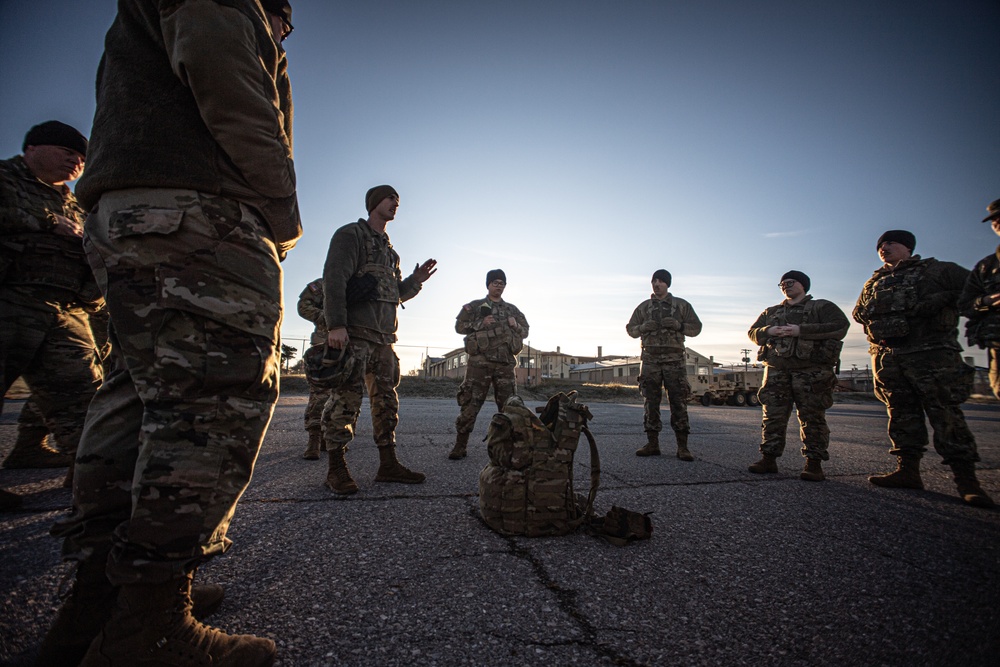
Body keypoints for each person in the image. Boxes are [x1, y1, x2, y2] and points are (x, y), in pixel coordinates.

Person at [40, 1, 301, 665]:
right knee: (209, 404)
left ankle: (101, 596)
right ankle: (150, 621)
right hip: (192, 213)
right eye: (283, 21)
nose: (282, 34)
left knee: (135, 394)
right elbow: (228, 77)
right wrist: (279, 212)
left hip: (131, 214)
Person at [854, 230, 993, 508]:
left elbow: (976, 294)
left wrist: (942, 300)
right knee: (901, 414)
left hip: (932, 356)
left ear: (908, 247)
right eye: (880, 245)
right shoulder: (875, 281)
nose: (884, 248)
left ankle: (967, 481)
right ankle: (907, 471)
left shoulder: (939, 271)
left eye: (890, 243)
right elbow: (859, 312)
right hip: (889, 357)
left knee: (946, 414)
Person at [0, 121, 103, 486]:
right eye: (66, 152)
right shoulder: (6, 180)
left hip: (63, 308)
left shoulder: (75, 203)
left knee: (84, 391)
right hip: (10, 299)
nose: (74, 162)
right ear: (31, 149)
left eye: (80, 158)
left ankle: (90, 479)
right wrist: (47, 223)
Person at [320, 185, 437, 495]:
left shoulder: (390, 251)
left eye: (398, 201)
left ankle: (388, 464)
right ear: (374, 203)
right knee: (346, 401)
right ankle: (336, 468)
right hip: (355, 335)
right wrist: (336, 325)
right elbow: (334, 278)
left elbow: (395, 294)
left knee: (386, 403)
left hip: (384, 340)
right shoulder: (351, 236)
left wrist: (416, 282)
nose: (395, 205)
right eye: (390, 200)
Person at [746, 271, 849, 481]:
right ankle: (769, 458)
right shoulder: (772, 311)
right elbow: (753, 332)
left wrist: (800, 330)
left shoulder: (821, 307)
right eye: (782, 284)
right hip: (777, 370)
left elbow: (840, 326)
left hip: (811, 372)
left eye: (790, 283)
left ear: (803, 285)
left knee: (812, 417)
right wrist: (769, 330)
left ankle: (814, 463)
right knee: (772, 416)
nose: (785, 286)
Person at [449, 269, 529, 459]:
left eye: (502, 283)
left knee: (509, 408)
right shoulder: (476, 306)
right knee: (470, 405)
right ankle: (460, 446)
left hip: (504, 366)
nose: (498, 285)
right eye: (495, 282)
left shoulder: (512, 310)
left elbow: (525, 331)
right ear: (488, 284)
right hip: (480, 365)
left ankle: (507, 449)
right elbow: (459, 327)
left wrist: (515, 325)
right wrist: (479, 323)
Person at [626, 269, 702, 460]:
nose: (657, 284)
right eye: (654, 281)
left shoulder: (681, 306)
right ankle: (652, 444)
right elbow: (630, 329)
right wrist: (643, 328)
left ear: (668, 284)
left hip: (674, 361)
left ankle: (682, 447)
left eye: (660, 281)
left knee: (678, 402)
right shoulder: (644, 308)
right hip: (650, 360)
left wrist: (679, 326)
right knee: (650, 403)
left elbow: (696, 327)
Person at [959, 199, 1000, 399]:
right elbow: (965, 304)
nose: (997, 222)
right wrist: (986, 301)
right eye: (994, 219)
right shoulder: (987, 266)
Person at [297, 277, 329, 460]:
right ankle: (314, 439)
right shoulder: (322, 284)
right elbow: (303, 306)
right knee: (319, 394)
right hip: (323, 344)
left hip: (350, 345)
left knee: (343, 395)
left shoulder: (357, 282)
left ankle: (331, 438)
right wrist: (328, 318)